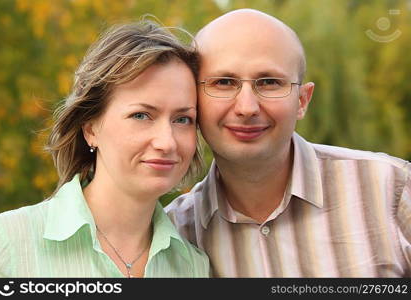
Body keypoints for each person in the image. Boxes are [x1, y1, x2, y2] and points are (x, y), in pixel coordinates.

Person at [165, 9, 411, 277]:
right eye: (224, 82)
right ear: (192, 99)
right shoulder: (175, 233)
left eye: (269, 82)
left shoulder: (391, 190)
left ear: (302, 101)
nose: (247, 108)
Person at [0, 20, 210, 278]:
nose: (167, 142)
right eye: (141, 115)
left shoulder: (195, 267)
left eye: (182, 119)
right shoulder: (5, 244)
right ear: (90, 128)